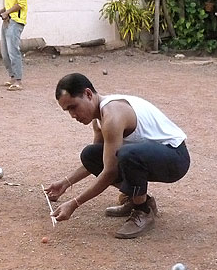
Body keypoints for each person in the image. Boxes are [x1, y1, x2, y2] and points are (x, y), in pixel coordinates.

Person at [45, 73, 190, 239]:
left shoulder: (112, 116)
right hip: (152, 156)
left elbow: (110, 172)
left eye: (73, 107)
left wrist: (74, 203)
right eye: (67, 110)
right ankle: (139, 199)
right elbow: (102, 161)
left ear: (88, 94)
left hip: (175, 158)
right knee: (90, 154)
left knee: (128, 155)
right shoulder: (98, 119)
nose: (72, 115)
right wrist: (66, 183)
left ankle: (142, 211)